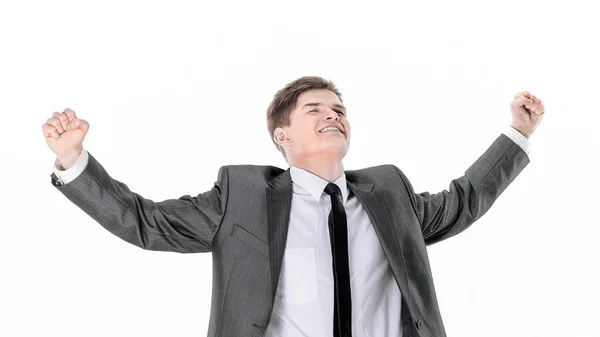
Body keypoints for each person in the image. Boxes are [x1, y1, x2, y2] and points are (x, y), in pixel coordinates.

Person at [42, 76, 545, 337]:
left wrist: (517, 133)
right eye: (316, 110)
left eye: (339, 111)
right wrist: (73, 159)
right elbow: (145, 223)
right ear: (283, 135)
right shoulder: (241, 193)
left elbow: (463, 202)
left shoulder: (389, 192)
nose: (334, 116)